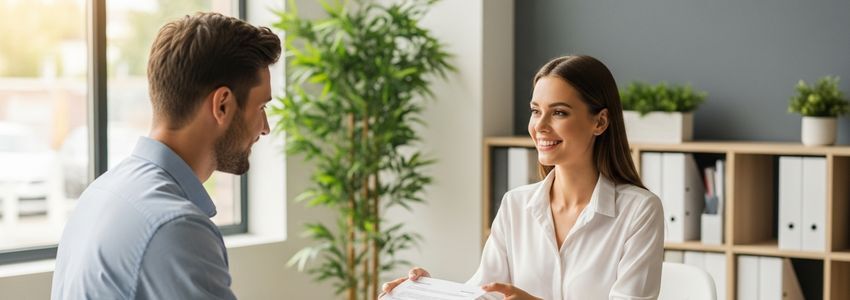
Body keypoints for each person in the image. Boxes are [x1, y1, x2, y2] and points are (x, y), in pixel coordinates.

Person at [381, 55, 664, 299]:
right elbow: (485, 293)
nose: (540, 126)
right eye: (535, 111)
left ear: (600, 122)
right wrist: (426, 291)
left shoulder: (639, 210)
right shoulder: (515, 204)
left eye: (559, 113)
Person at [51, 12, 281, 299]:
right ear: (222, 105)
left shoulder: (100, 193)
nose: (265, 128)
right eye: (261, 108)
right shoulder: (174, 225)